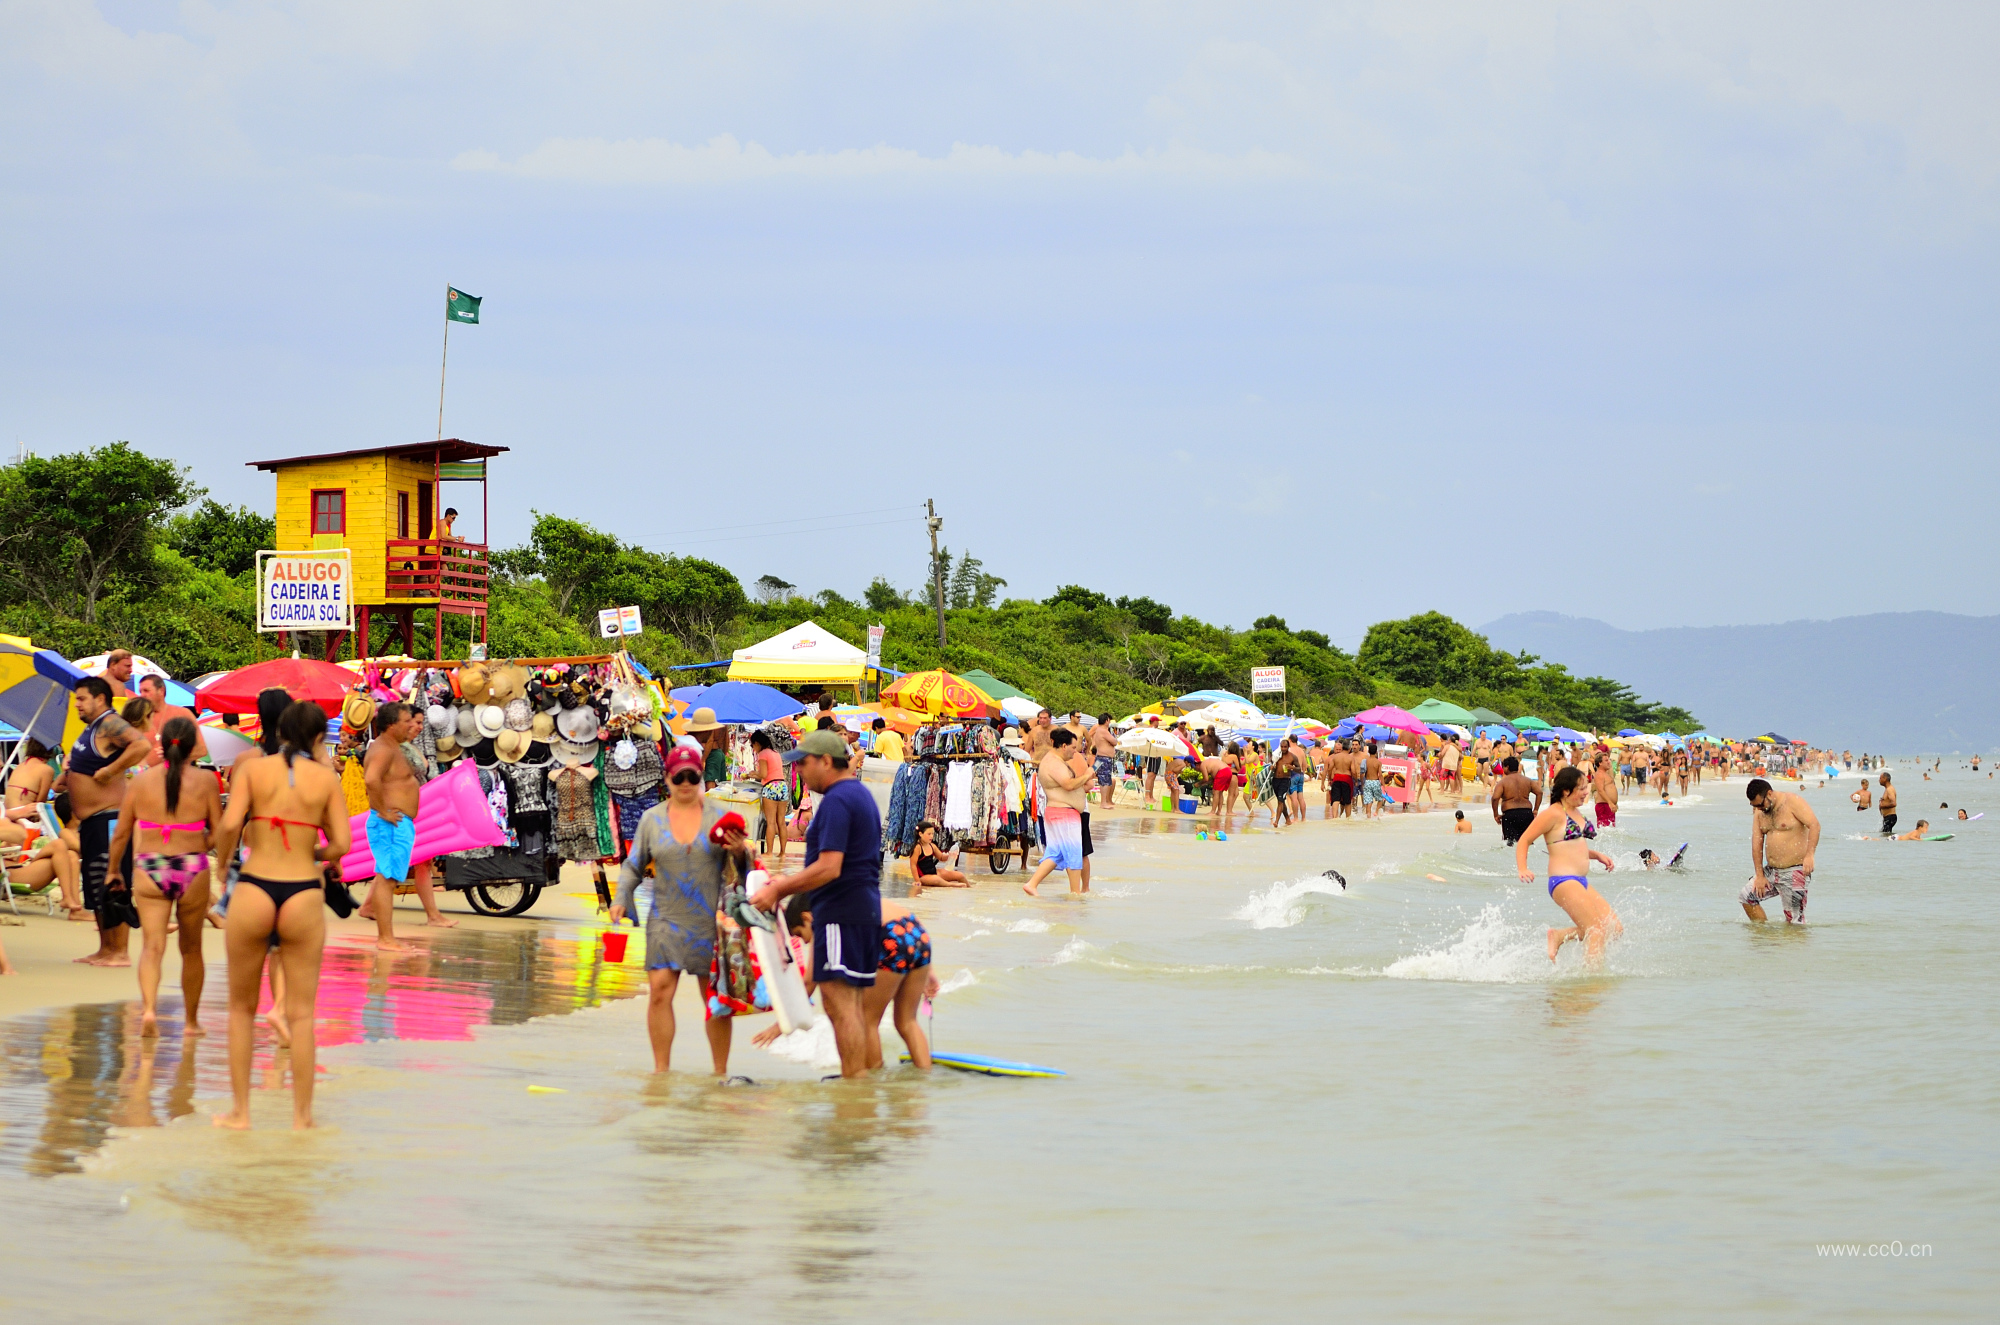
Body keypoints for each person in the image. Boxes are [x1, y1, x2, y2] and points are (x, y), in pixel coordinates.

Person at [211, 700, 351, 1130]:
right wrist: (312, 850)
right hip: (303, 891)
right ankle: (302, 1118)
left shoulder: (251, 768)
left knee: (240, 1008)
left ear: (279, 731)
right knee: (302, 1014)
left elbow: (230, 824)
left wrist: (222, 865)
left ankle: (240, 1113)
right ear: (315, 738)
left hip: (255, 886)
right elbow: (342, 844)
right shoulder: (326, 778)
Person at [749, 729, 883, 1079]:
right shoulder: (858, 794)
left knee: (840, 1007)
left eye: (804, 764)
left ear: (826, 761)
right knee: (850, 1005)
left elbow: (829, 866)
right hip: (862, 910)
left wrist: (778, 890)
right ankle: (862, 1084)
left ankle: (853, 1087)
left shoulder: (839, 799)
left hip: (841, 912)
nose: (801, 772)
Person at [611, 745, 752, 1075]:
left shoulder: (720, 817)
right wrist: (620, 898)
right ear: (667, 778)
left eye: (693, 776)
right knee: (660, 992)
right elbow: (633, 866)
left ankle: (720, 1073)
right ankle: (661, 1072)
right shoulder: (651, 819)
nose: (686, 782)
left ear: (701, 778)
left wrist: (739, 852)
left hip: (708, 921)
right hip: (665, 918)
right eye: (679, 776)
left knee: (714, 1002)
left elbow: (745, 869)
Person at [105, 716, 222, 1038]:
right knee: (192, 949)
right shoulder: (206, 782)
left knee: (152, 947)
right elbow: (220, 829)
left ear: (161, 743)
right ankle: (191, 1022)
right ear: (191, 747)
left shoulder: (140, 782)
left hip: (150, 867)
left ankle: (149, 1011)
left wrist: (114, 870)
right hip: (191, 867)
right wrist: (204, 845)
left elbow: (122, 834)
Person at [64, 676, 151, 965]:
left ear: (100, 699)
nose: (77, 704)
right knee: (96, 886)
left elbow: (140, 746)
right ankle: (105, 949)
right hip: (92, 822)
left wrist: (111, 770)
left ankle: (121, 952)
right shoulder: (92, 728)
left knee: (114, 884)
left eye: (82, 698)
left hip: (109, 819)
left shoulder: (109, 723)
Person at [1516, 766, 1621, 965]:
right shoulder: (1553, 813)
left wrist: (1596, 855)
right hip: (1563, 880)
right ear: (1566, 791)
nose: (1586, 792)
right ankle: (1592, 982)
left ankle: (1560, 936)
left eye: (1586, 788)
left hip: (1581, 880)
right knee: (1595, 929)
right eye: (1581, 788)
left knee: (1614, 929)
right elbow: (1524, 840)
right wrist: (1523, 867)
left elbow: (1572, 846)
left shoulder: (1575, 812)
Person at [362, 702, 425, 953]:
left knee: (387, 878)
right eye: (406, 721)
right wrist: (382, 811)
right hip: (390, 823)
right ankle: (385, 938)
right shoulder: (383, 749)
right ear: (391, 725)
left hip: (398, 823)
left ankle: (387, 937)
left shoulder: (392, 747)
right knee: (387, 879)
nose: (411, 725)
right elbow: (370, 779)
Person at [862, 896, 937, 1070]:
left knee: (867, 1020)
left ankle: (873, 1080)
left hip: (892, 937)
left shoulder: (831, 901)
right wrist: (930, 971)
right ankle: (925, 1076)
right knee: (907, 1021)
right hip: (918, 934)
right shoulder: (870, 892)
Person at [1022, 728, 1091, 896]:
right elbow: (1067, 784)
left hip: (1059, 813)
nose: (1075, 752)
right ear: (1064, 745)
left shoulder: (1054, 761)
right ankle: (1075, 893)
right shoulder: (1053, 761)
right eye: (1073, 748)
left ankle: (1032, 884)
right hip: (1063, 814)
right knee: (1074, 853)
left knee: (1056, 853)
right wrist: (1087, 774)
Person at [1742, 778, 1820, 924]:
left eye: (1760, 804)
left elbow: (1814, 825)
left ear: (1769, 794)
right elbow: (1756, 843)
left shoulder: (1792, 802)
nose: (1758, 809)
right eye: (1754, 806)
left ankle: (1793, 946)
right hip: (1771, 871)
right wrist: (1759, 875)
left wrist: (1810, 855)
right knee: (1747, 897)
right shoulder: (1760, 812)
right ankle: (1764, 938)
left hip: (1795, 871)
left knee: (1794, 922)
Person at [136, 673, 207, 766]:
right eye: (140, 692)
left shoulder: (182, 714)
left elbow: (201, 749)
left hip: (177, 776)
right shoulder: (138, 718)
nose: (142, 695)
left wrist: (173, 757)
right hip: (147, 777)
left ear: (161, 691)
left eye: (146, 691)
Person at [749, 730, 789, 862]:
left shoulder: (762, 754)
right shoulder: (775, 753)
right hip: (782, 786)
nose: (753, 749)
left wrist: (753, 774)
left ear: (757, 743)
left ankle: (769, 851)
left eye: (752, 746)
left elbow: (764, 774)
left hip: (771, 787)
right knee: (781, 822)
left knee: (770, 822)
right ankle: (782, 852)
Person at [908, 820, 968, 894]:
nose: (931, 836)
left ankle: (969, 888)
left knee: (959, 875)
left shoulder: (932, 846)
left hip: (935, 872)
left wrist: (950, 856)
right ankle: (952, 885)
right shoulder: (917, 848)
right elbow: (913, 865)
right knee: (936, 879)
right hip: (923, 876)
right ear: (920, 834)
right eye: (929, 834)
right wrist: (917, 880)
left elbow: (941, 857)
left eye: (932, 834)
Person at [1491, 755, 1540, 844]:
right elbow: (1539, 792)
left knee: (1509, 844)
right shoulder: (1528, 780)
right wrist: (1536, 809)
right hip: (1527, 813)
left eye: (1503, 766)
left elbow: (1495, 798)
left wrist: (1496, 814)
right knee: (1527, 843)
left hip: (1510, 814)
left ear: (1507, 767)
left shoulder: (1503, 782)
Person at [1087, 713, 1119, 809]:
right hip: (1104, 757)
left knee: (1106, 779)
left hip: (1103, 757)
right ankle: (1103, 802)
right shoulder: (1103, 731)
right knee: (1104, 780)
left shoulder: (1098, 730)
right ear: (1106, 721)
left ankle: (1106, 801)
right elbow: (1114, 741)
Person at [1591, 754, 1619, 829]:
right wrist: (1610, 803)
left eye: (1609, 760)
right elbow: (1600, 790)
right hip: (1604, 805)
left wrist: (1614, 803)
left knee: (1610, 831)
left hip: (1608, 805)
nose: (1609, 762)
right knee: (1605, 831)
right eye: (1606, 760)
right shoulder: (1599, 774)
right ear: (1600, 763)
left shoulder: (1605, 774)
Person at [1876, 772, 1898, 837]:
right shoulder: (1887, 789)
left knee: (1886, 836)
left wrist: (1883, 806)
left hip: (1890, 817)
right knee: (1885, 835)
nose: (1879, 780)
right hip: (1888, 817)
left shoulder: (1889, 789)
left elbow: (1894, 803)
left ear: (1885, 779)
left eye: (1880, 778)